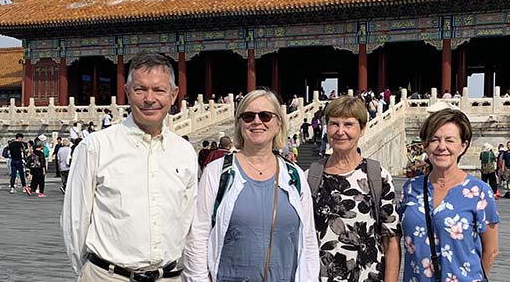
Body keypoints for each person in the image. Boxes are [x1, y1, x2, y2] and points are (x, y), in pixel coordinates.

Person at [62, 52, 198, 280]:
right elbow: (75, 220)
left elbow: (185, 219)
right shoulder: (96, 146)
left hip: (167, 276)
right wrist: (89, 272)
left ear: (173, 95)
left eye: (159, 90)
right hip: (108, 276)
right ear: (127, 92)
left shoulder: (184, 152)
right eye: (140, 89)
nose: (149, 98)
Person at [183, 89, 318, 282]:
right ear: (239, 124)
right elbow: (198, 236)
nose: (257, 122)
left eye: (265, 116)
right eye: (248, 116)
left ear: (278, 123)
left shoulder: (294, 175)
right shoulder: (218, 172)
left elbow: (309, 240)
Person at [306, 95, 401, 282]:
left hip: (367, 276)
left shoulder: (377, 176)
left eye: (349, 124)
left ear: (362, 129)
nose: (340, 131)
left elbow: (391, 239)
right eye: (334, 124)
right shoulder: (310, 176)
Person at [399, 108, 500, 281]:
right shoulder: (410, 189)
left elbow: (491, 250)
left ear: (463, 145)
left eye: (450, 140)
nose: (441, 147)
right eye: (434, 140)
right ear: (425, 144)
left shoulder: (480, 192)